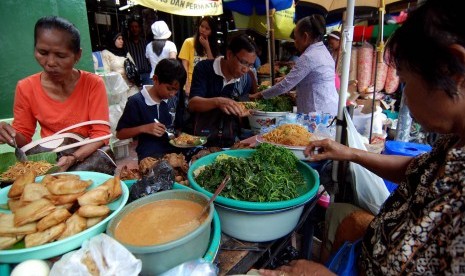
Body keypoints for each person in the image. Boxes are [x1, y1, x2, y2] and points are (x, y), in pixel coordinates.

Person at [259, 0, 465, 274]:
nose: (405, 94)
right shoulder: (454, 141)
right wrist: (350, 153)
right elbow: (415, 170)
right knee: (342, 215)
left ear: (453, 69)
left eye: (405, 80)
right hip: (373, 248)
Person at [0, 16, 111, 172]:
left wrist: (73, 158)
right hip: (52, 159)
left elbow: (101, 134)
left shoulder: (93, 84)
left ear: (78, 55)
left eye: (60, 55)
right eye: (42, 52)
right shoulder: (26, 87)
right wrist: (9, 135)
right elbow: (24, 138)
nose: (50, 62)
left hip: (88, 156)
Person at [250, 15, 339, 115]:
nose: (295, 43)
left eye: (296, 38)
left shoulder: (309, 56)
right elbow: (309, 76)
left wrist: (259, 95)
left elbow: (284, 86)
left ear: (305, 37)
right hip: (329, 107)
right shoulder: (322, 51)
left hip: (318, 111)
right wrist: (285, 78)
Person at [186, 34, 256, 148]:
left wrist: (243, 111)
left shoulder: (245, 79)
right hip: (201, 140)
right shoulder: (204, 69)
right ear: (229, 54)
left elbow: (242, 107)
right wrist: (218, 102)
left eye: (250, 65)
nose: (246, 69)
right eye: (243, 62)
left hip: (229, 140)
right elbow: (192, 104)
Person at [115, 58, 187, 161]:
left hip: (173, 154)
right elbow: (120, 134)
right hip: (149, 157)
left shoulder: (173, 99)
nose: (172, 94)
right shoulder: (136, 102)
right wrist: (144, 128)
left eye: (176, 90)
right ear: (155, 79)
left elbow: (177, 127)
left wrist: (180, 136)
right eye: (169, 88)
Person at [178, 16, 219, 95]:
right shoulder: (189, 42)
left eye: (207, 29)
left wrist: (207, 47)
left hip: (207, 84)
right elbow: (184, 66)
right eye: (202, 26)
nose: (203, 30)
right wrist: (187, 84)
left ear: (211, 31)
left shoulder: (213, 46)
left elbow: (212, 66)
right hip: (191, 83)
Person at [101, 32, 139, 97]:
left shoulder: (125, 52)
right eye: (119, 39)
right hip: (117, 88)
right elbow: (106, 73)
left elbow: (133, 66)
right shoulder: (105, 53)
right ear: (112, 40)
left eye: (122, 39)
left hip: (131, 86)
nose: (122, 41)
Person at [126, 18, 152, 85]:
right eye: (132, 27)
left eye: (136, 27)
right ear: (129, 29)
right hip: (133, 76)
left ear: (140, 28)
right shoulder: (125, 44)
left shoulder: (145, 43)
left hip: (146, 74)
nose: (134, 29)